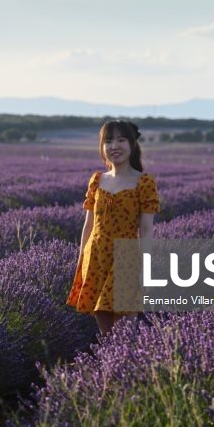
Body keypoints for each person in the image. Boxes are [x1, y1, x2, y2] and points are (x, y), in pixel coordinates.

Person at [66, 120, 160, 336]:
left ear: (132, 144)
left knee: (126, 329)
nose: (114, 146)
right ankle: (111, 368)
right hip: (97, 257)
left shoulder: (144, 183)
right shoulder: (97, 180)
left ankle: (130, 367)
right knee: (106, 330)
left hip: (126, 258)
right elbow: (88, 224)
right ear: (102, 147)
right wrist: (81, 260)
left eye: (121, 140)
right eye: (108, 141)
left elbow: (146, 230)